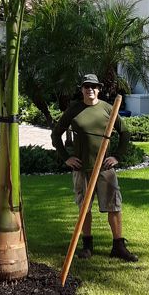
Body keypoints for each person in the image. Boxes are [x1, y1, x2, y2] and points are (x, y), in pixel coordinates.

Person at [51, 73, 138, 262]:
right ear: (82, 89)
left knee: (114, 206)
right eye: (86, 86)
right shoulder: (74, 110)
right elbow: (56, 135)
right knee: (85, 208)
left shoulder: (108, 108)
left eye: (94, 86)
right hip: (81, 168)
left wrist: (117, 156)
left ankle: (118, 246)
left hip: (105, 169)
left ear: (99, 89)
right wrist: (66, 158)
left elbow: (124, 133)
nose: (90, 89)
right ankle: (87, 246)